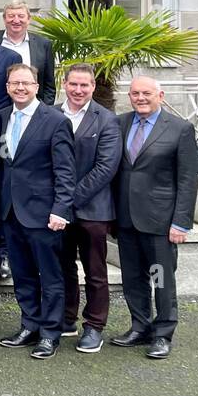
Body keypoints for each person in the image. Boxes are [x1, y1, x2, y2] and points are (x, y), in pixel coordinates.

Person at [111, 75, 197, 360]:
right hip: (125, 220)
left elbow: (187, 180)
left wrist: (181, 222)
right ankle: (140, 327)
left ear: (160, 95)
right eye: (135, 93)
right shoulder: (120, 123)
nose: (140, 98)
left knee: (160, 280)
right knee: (133, 279)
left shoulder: (180, 129)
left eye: (146, 93)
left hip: (160, 223)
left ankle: (162, 334)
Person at [0, 62, 75, 360]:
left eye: (25, 83)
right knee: (23, 274)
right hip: (10, 212)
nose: (20, 88)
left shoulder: (55, 121)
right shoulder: (2, 117)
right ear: (7, 87)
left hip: (44, 215)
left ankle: (50, 334)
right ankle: (29, 325)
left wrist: (60, 210)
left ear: (36, 86)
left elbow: (66, 172)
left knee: (50, 276)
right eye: (14, 83)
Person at [57, 63, 121, 353]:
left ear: (93, 87)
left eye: (85, 85)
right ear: (65, 84)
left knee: (95, 271)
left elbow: (105, 167)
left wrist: (68, 199)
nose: (79, 90)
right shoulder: (52, 114)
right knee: (63, 267)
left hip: (93, 210)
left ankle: (94, 326)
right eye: (74, 84)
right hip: (58, 211)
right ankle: (67, 318)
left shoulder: (106, 119)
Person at [0, 0, 56, 106]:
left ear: (29, 19)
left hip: (32, 109)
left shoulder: (43, 44)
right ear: (4, 19)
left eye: (21, 16)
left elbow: (49, 85)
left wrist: (44, 111)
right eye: (11, 16)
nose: (16, 20)